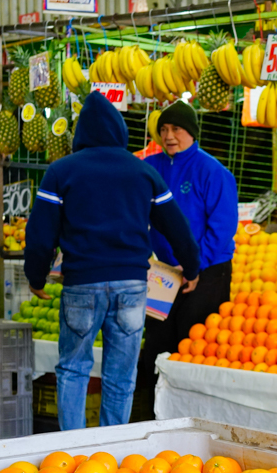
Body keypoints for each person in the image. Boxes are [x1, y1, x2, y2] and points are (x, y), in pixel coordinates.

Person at [25, 92, 201, 430]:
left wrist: (36, 275)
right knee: (121, 375)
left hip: (82, 284)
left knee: (74, 369)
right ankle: (114, 451)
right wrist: (190, 268)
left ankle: (71, 450)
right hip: (132, 286)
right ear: (120, 131)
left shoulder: (60, 171)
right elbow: (177, 226)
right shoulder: (143, 171)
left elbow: (41, 233)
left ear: (80, 133)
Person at [138, 100, 238, 379]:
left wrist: (195, 264)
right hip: (165, 273)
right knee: (157, 346)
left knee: (194, 347)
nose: (169, 136)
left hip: (207, 272)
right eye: (164, 129)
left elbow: (223, 228)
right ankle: (153, 414)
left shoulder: (213, 171)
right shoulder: (149, 167)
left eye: (177, 129)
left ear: (192, 132)